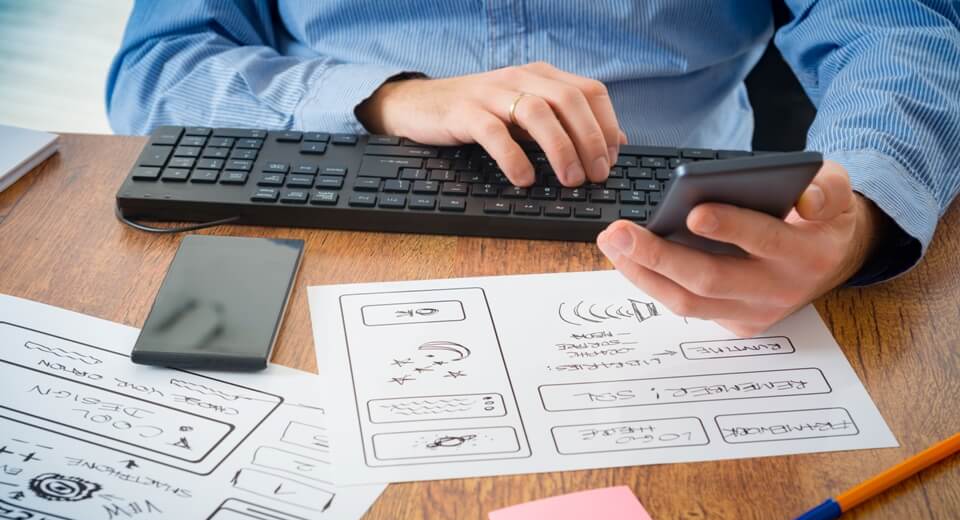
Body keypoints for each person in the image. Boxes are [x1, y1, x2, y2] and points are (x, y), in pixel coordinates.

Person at [107, 2, 960, 337]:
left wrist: (859, 217)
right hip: (325, 214)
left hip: (691, 247)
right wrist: (384, 97)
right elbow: (157, 68)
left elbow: (904, 31)